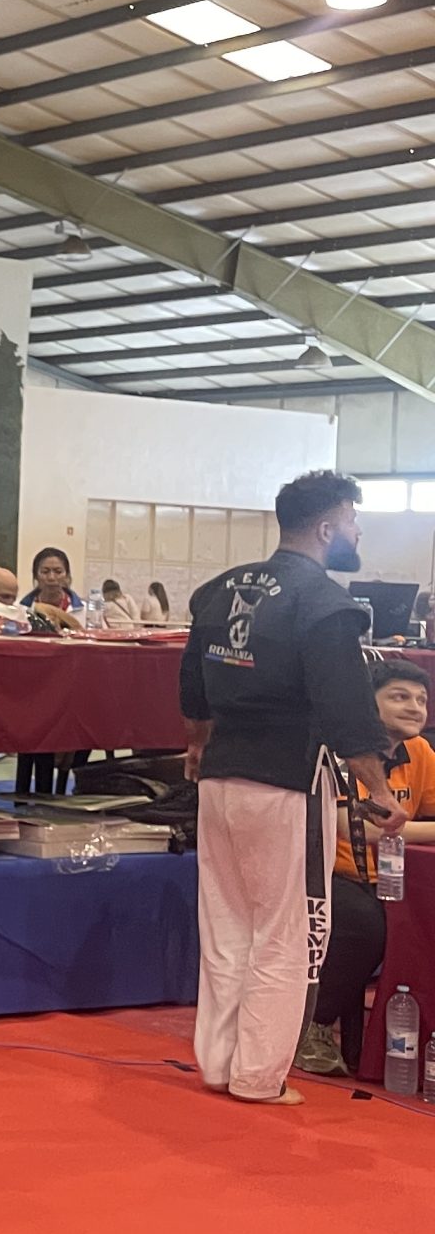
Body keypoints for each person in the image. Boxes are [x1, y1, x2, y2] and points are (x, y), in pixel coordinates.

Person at [181, 470, 404, 1106]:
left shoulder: (218, 591)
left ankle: (219, 1063)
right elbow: (345, 707)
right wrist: (378, 788)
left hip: (221, 776)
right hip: (285, 782)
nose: (358, 532)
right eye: (353, 521)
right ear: (327, 528)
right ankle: (258, 1076)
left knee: (227, 924)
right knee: (288, 929)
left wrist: (198, 746)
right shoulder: (324, 604)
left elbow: (192, 688)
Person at [301, 660, 435, 1077]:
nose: (414, 707)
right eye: (399, 696)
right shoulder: (343, 753)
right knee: (367, 926)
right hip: (331, 874)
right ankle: (313, 1024)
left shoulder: (419, 751)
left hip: (396, 878)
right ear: (367, 703)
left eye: (421, 700)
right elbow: (355, 827)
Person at [21, 548, 82, 632]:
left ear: (67, 575)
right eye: (45, 572)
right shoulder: (21, 609)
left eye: (58, 572)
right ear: (36, 576)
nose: (51, 578)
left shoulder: (83, 611)